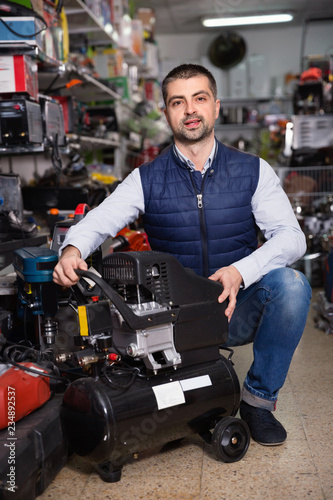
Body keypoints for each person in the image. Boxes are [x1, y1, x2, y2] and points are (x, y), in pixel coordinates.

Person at [53, 63, 312, 446]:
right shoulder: (146, 178)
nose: (190, 110)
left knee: (291, 286)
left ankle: (258, 401)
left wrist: (240, 272)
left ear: (216, 106)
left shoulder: (253, 171)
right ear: (167, 113)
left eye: (199, 98)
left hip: (234, 307)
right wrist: (72, 249)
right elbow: (102, 219)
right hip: (171, 320)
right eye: (178, 102)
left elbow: (292, 238)